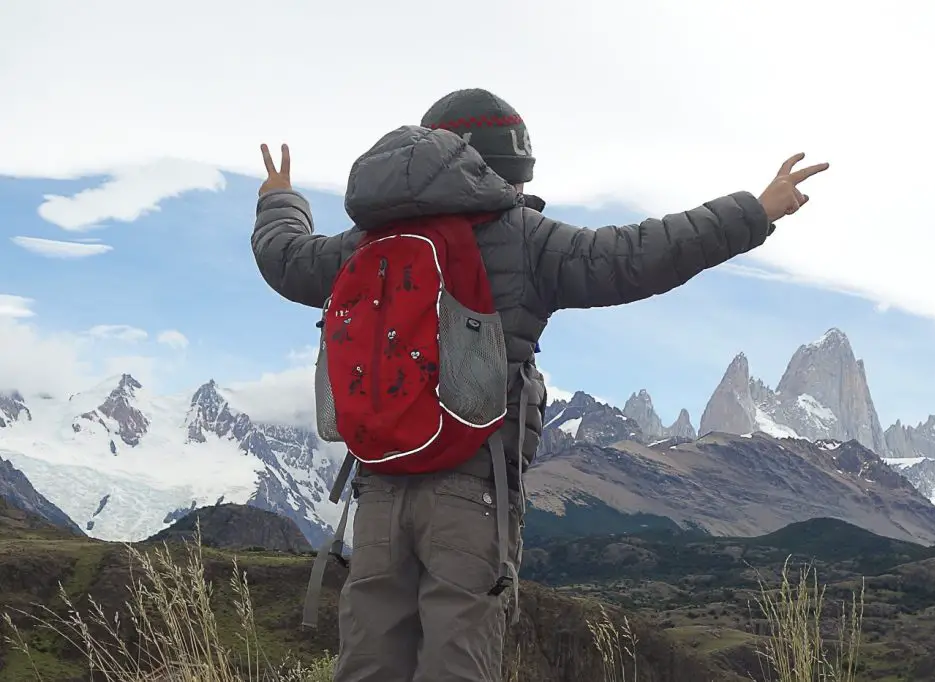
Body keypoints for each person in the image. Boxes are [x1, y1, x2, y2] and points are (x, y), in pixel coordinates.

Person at [251, 87, 828, 682]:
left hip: (376, 490)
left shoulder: (363, 246)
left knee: (367, 662)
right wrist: (755, 211)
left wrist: (280, 198)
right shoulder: (524, 238)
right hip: (471, 492)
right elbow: (637, 254)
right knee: (458, 661)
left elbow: (284, 258)